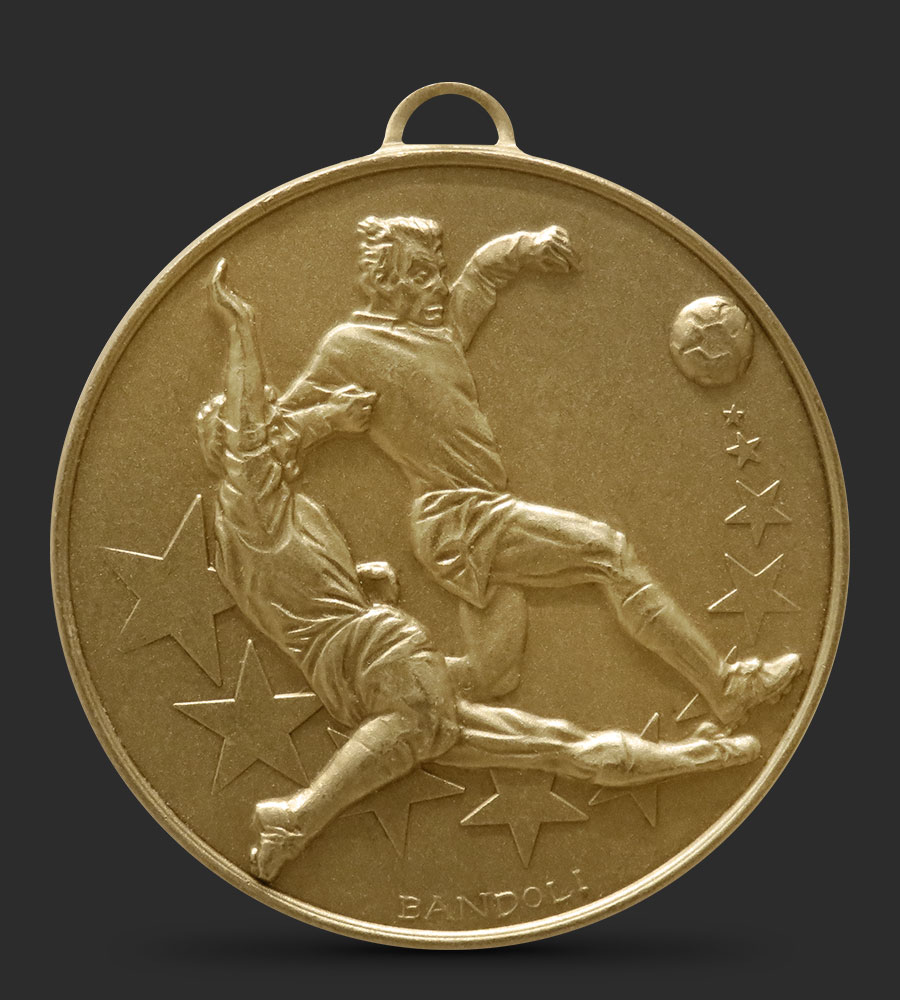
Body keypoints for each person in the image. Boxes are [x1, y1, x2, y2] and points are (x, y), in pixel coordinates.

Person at [197, 259, 760, 883]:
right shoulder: (250, 504)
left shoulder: (264, 526)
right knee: (597, 570)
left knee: (553, 744)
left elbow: (296, 590)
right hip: (381, 660)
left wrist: (364, 581)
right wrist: (243, 329)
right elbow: (251, 436)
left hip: (361, 681)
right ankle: (298, 814)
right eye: (261, 423)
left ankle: (704, 756)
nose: (275, 425)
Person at [278, 217, 801, 720]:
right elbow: (268, 432)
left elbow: (482, 273)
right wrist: (328, 418)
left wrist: (528, 245)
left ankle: (380, 680)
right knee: (608, 552)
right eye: (418, 274)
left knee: (492, 675)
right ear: (381, 280)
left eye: (436, 271)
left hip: (471, 516)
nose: (437, 285)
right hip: (459, 518)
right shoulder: (348, 347)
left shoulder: (439, 332)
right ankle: (725, 688)